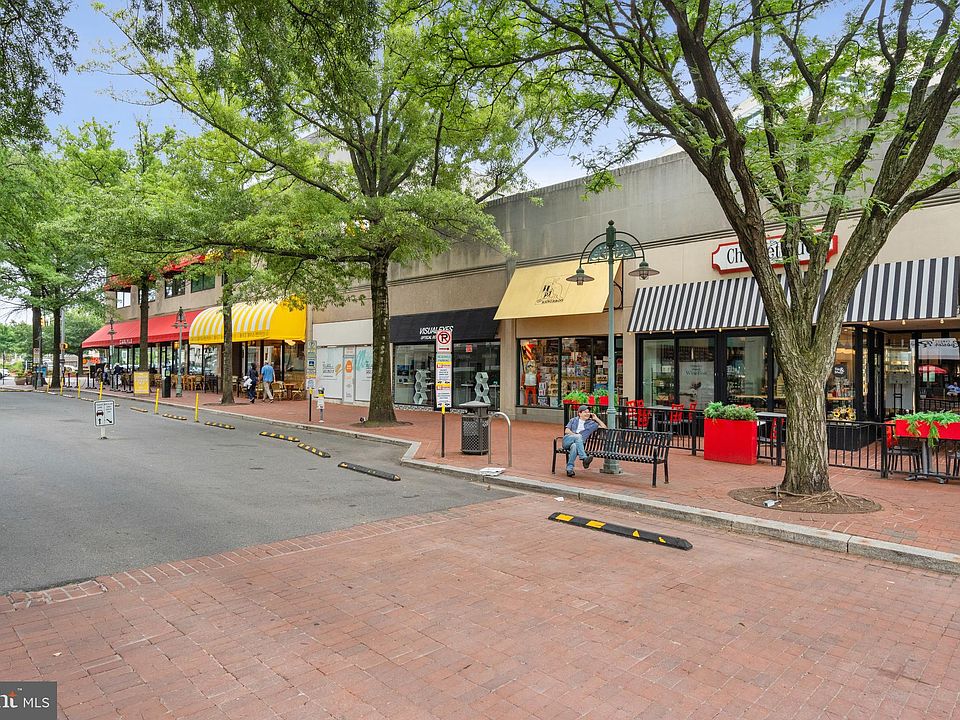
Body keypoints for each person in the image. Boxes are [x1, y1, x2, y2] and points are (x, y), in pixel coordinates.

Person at [562, 404, 605, 477]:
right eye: (585, 412)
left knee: (574, 446)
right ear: (579, 413)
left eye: (588, 412)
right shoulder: (573, 420)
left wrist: (596, 419)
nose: (587, 414)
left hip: (578, 444)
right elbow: (567, 430)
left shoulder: (591, 424)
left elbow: (604, 427)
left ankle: (569, 469)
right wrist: (576, 436)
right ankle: (584, 458)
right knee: (578, 436)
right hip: (568, 440)